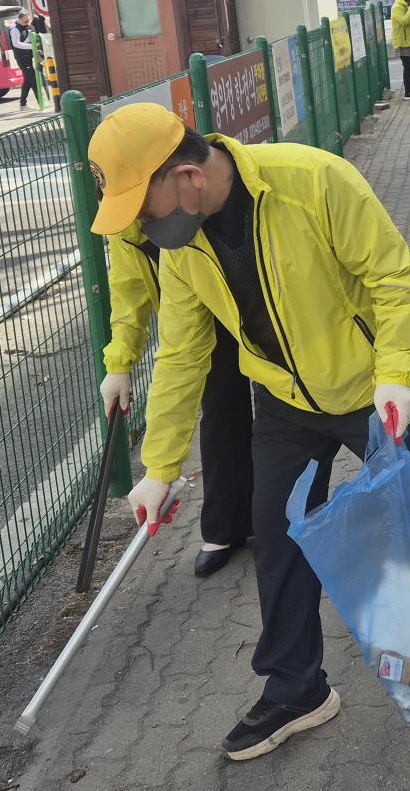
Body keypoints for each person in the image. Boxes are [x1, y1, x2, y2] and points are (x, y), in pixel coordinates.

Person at [87, 103, 410, 761]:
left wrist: (396, 375)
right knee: (277, 534)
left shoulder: (313, 181)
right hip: (283, 400)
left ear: (187, 176)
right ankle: (297, 687)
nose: (142, 227)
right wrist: (159, 469)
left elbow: (394, 281)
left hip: (375, 388)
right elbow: (185, 355)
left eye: (145, 208)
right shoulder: (185, 247)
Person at [100, 224, 327, 577]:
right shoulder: (124, 224)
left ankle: (297, 521)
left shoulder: (185, 191)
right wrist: (119, 362)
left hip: (246, 295)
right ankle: (227, 527)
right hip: (192, 317)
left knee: (285, 403)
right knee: (219, 412)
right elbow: (128, 293)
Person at [7, 10, 39, 108]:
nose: (27, 23)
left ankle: (22, 102)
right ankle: (40, 102)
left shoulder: (28, 27)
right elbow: (16, 44)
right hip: (21, 57)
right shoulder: (14, 29)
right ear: (19, 19)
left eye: (28, 21)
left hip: (29, 55)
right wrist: (32, 46)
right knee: (32, 78)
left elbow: (31, 37)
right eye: (25, 21)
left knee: (28, 79)